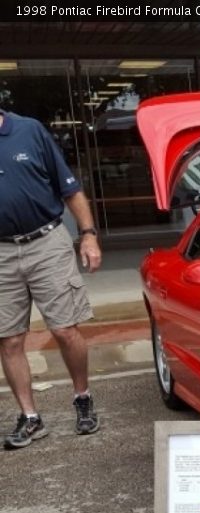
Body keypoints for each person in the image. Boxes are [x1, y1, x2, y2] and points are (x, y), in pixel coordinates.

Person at [0, 109, 101, 449]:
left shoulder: (29, 130)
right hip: (0, 253)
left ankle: (82, 397)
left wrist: (87, 234)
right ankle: (31, 418)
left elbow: (70, 189)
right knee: (10, 340)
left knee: (64, 329)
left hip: (47, 242)